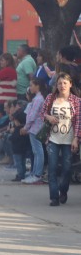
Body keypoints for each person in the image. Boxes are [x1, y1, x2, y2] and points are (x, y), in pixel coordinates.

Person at [39, 72, 81, 206]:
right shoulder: (50, 98)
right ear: (56, 85)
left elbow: (79, 121)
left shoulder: (76, 101)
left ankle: (63, 190)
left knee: (67, 168)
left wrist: (76, 138)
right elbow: (42, 113)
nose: (62, 86)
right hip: (53, 139)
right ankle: (54, 197)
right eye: (59, 83)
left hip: (68, 139)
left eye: (65, 83)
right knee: (52, 168)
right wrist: (48, 117)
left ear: (70, 84)